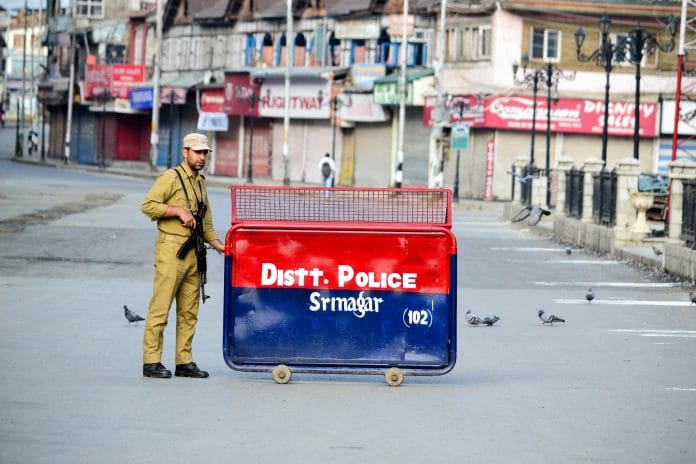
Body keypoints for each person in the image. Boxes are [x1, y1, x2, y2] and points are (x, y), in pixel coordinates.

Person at [140, 133, 225, 379]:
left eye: (205, 153)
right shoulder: (170, 178)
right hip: (172, 250)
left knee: (189, 311)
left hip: (195, 252)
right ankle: (151, 361)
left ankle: (184, 361)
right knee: (161, 307)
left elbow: (205, 221)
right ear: (185, 152)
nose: (202, 157)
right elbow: (148, 206)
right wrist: (176, 211)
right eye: (197, 152)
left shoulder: (201, 182)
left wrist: (219, 245)